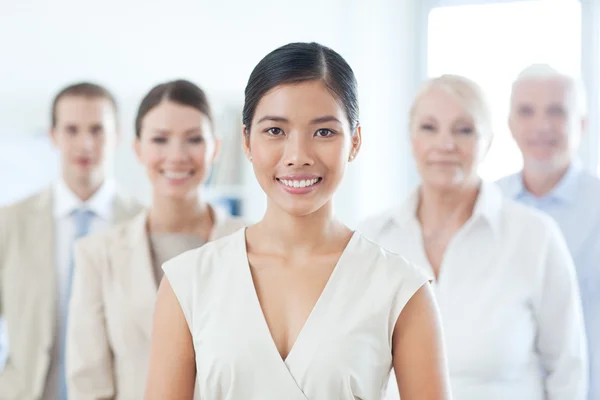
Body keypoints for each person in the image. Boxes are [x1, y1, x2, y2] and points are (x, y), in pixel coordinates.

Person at [144, 42, 451, 400]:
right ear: (246, 140)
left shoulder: (401, 287)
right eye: (275, 131)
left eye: (323, 132)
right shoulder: (188, 282)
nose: (298, 156)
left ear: (355, 141)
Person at [359, 74, 588, 400]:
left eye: (464, 130)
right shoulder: (370, 240)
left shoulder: (534, 236)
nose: (446, 144)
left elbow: (567, 370)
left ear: (488, 141)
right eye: (429, 128)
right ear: (411, 139)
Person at [66, 79, 245, 399]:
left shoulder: (252, 243)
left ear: (215, 147)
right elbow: (88, 384)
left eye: (193, 139)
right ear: (138, 149)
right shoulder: (97, 255)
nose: (176, 156)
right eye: (160, 139)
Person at [0, 83, 141, 400]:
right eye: (72, 130)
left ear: (116, 136)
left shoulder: (143, 223)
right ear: (53, 136)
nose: (85, 143)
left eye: (97, 130)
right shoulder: (10, 222)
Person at [496, 64, 600, 399]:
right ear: (511, 125)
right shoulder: (484, 206)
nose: (541, 126)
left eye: (556, 111)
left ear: (581, 124)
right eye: (526, 112)